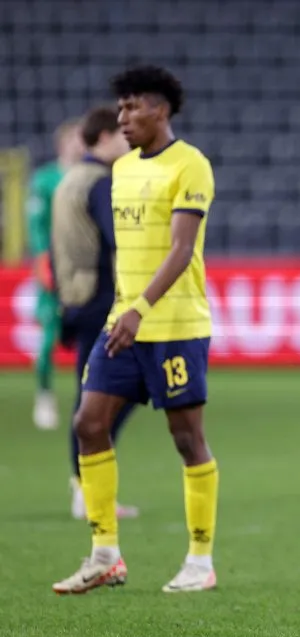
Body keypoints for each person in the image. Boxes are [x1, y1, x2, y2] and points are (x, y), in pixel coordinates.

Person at [52, 66, 220, 595]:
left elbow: (181, 249)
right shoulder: (119, 170)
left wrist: (140, 308)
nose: (123, 117)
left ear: (161, 111)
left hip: (173, 324)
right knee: (89, 423)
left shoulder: (189, 164)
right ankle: (105, 553)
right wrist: (124, 310)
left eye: (132, 107)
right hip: (122, 323)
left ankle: (200, 559)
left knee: (187, 439)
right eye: (120, 108)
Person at [50, 106, 140, 522]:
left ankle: (83, 485)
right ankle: (86, 485)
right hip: (102, 301)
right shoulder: (100, 182)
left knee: (93, 397)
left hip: (75, 298)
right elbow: (118, 237)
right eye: (122, 135)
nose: (128, 142)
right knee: (107, 397)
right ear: (104, 137)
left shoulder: (67, 180)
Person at [27, 119, 84, 430]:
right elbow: (36, 226)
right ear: (62, 144)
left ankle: (88, 400)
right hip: (54, 265)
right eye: (75, 139)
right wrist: (42, 262)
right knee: (50, 333)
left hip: (85, 267)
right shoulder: (45, 180)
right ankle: (44, 396)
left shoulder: (92, 176)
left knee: (90, 334)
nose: (80, 144)